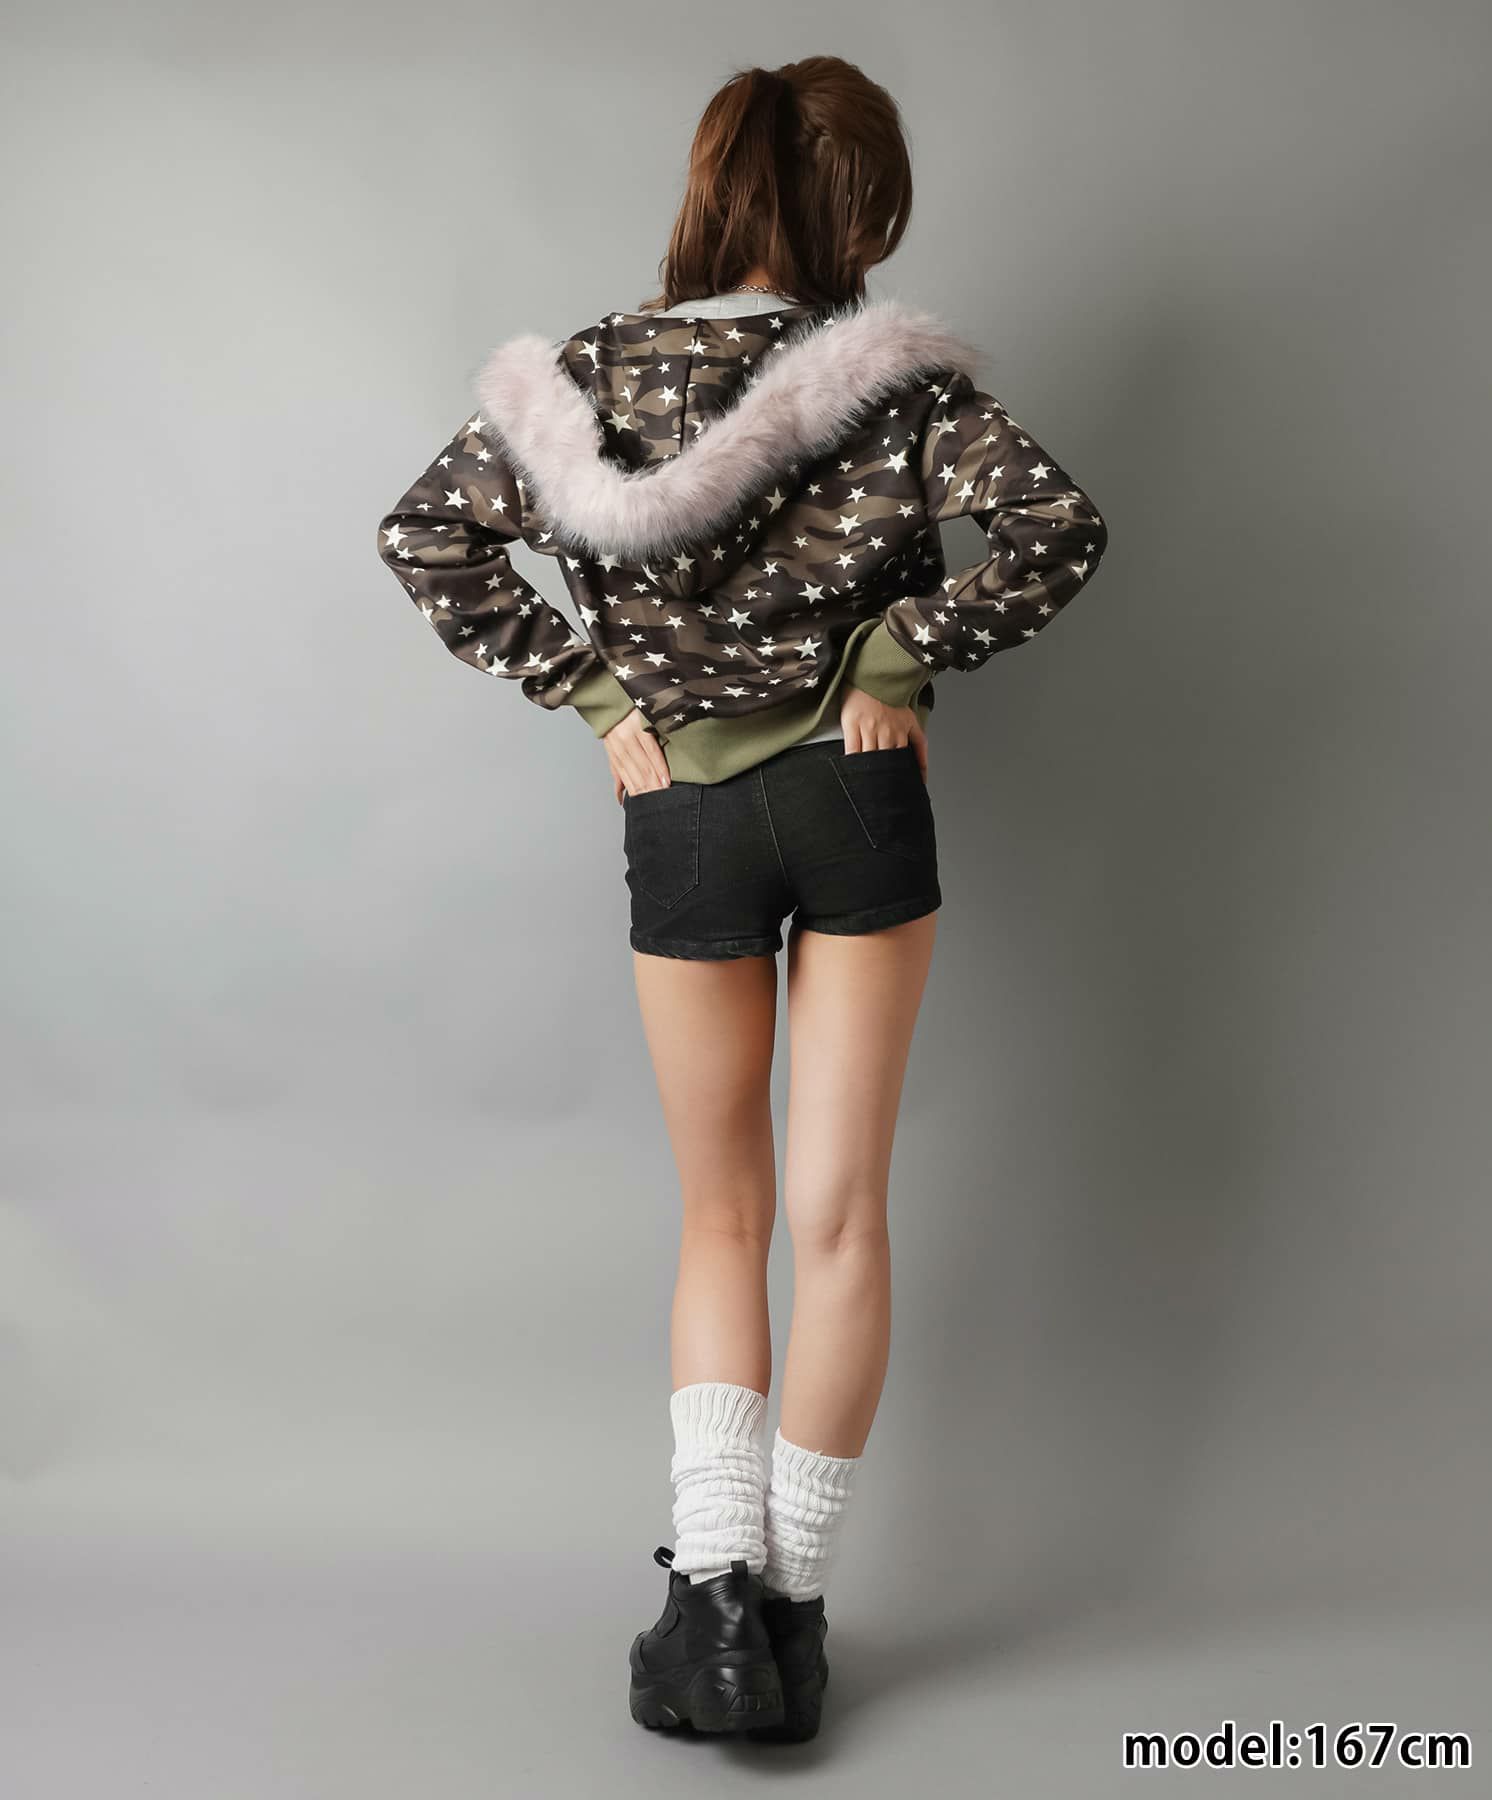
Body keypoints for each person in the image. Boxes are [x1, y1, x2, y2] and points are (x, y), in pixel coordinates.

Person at [376, 54, 1109, 1746]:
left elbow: (431, 537)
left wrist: (598, 699)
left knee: (725, 1216)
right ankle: (790, 1620)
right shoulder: (900, 388)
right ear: (864, 210)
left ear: (713, 188)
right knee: (842, 1221)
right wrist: (900, 657)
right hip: (859, 799)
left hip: (684, 811)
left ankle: (709, 1614)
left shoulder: (582, 381)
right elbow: (1056, 529)